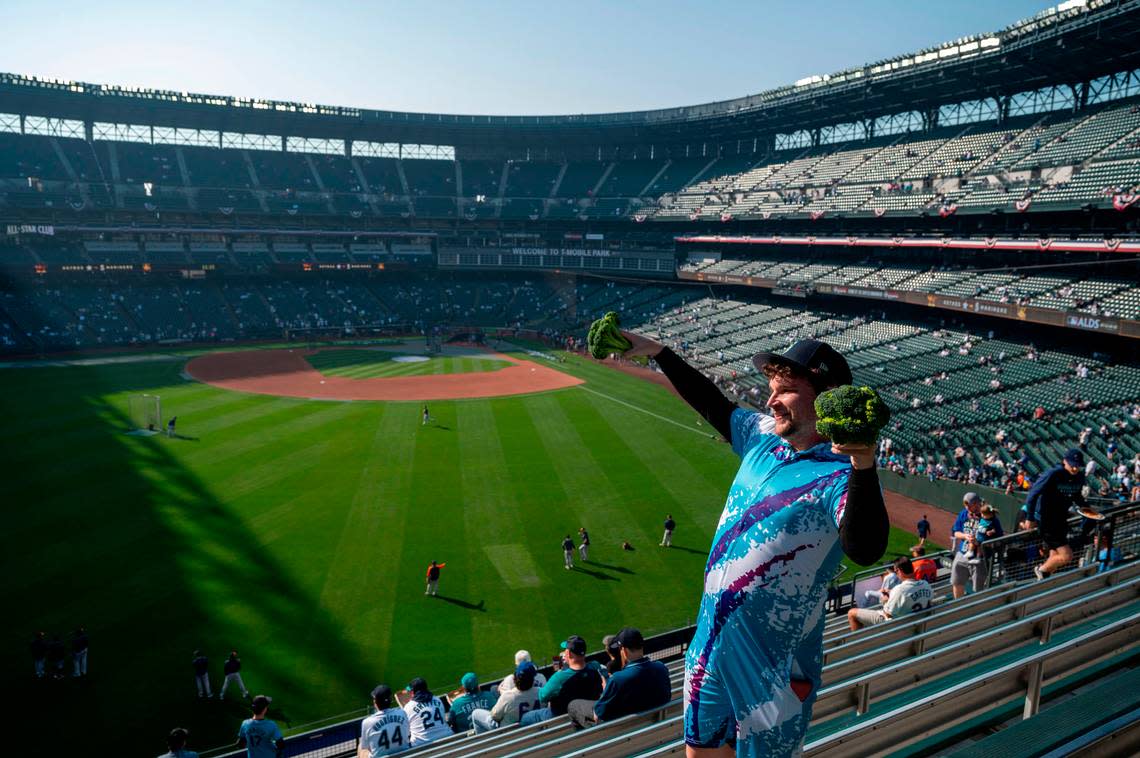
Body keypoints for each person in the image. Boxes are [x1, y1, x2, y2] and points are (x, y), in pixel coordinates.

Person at [616, 334, 889, 756]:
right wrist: (660, 352)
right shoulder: (764, 436)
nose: (771, 401)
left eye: (787, 390)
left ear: (828, 400)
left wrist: (863, 463)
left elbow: (866, 548)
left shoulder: (840, 478)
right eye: (773, 389)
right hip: (709, 649)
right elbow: (715, 405)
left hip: (773, 671)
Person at [568, 627, 671, 729]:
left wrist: (606, 690)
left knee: (573, 706)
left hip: (621, 732)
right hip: (654, 728)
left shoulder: (618, 679)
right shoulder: (661, 668)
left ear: (624, 650)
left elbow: (598, 715)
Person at [1026, 449, 1088, 580]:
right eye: (1072, 464)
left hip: (1061, 519)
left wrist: (1085, 507)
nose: (1075, 468)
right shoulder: (1053, 474)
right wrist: (1030, 518)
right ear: (1065, 461)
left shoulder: (1079, 476)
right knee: (1067, 556)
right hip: (1046, 520)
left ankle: (1044, 578)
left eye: (1078, 464)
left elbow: (1076, 495)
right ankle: (1041, 571)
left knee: (1054, 554)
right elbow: (1032, 494)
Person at [520, 635, 604, 726]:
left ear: (569, 654)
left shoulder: (559, 677)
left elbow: (542, 697)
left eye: (565, 650)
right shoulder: (594, 670)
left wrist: (558, 674)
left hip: (560, 717)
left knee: (526, 718)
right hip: (587, 713)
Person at [847, 557, 933, 630]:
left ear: (899, 570)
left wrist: (884, 601)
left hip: (895, 625)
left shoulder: (899, 590)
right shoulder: (925, 584)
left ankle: (857, 642)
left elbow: (887, 614)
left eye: (895, 572)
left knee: (851, 613)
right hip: (916, 623)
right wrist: (892, 593)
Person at [472, 660, 542, 733]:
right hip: (533, 732)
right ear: (533, 679)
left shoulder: (507, 696)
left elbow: (495, 716)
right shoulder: (541, 692)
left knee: (475, 713)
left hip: (509, 736)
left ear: (515, 678)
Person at [950, 493, 996, 599]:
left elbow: (998, 537)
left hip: (980, 558)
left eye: (969, 505)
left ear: (976, 504)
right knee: (956, 582)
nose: (967, 508)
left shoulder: (988, 515)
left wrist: (981, 541)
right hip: (962, 554)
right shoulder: (963, 514)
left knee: (978, 590)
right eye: (966, 505)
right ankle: (958, 606)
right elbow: (956, 532)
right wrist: (965, 536)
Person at [358, 684, 410, 757]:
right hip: (406, 755)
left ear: (375, 702)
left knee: (361, 747)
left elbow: (365, 747)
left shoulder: (367, 722)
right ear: (390, 700)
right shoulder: (402, 713)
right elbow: (407, 733)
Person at [402, 678, 451, 746]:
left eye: (410, 691)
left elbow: (405, 732)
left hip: (422, 745)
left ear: (413, 692)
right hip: (448, 738)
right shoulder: (437, 700)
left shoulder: (408, 707)